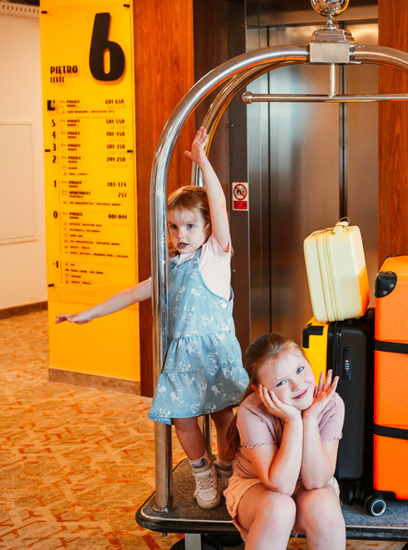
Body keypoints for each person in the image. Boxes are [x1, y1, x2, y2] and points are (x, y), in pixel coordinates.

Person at [56, 127, 248, 510]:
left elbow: (219, 205)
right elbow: (131, 293)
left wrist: (203, 162)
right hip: (182, 360)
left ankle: (229, 467)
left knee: (224, 416)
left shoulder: (214, 258)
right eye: (174, 227)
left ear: (207, 227)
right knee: (182, 420)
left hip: (214, 356)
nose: (180, 234)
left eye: (190, 226)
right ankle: (202, 472)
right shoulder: (170, 267)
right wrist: (88, 314)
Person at [223, 333, 345, 550]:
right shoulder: (251, 411)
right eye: (281, 382)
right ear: (259, 391)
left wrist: (310, 418)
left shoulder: (331, 403)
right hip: (257, 486)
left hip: (308, 485)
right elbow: (281, 485)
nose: (298, 385)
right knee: (279, 508)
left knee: (325, 508)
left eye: (300, 370)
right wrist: (293, 422)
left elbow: (316, 481)